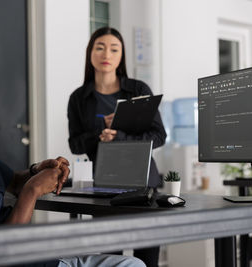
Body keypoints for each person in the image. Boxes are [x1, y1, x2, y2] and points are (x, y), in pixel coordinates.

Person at [0, 63, 145, 267]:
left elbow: (11, 181)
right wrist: (32, 189)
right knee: (131, 264)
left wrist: (36, 170)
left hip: (33, 256)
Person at [67, 27, 167, 267]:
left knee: (147, 258)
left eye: (114, 49)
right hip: (104, 186)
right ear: (90, 53)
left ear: (121, 56)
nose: (106, 54)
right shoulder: (79, 98)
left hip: (144, 184)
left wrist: (120, 136)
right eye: (99, 47)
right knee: (110, 258)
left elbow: (159, 136)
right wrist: (99, 134)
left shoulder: (138, 90)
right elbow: (75, 144)